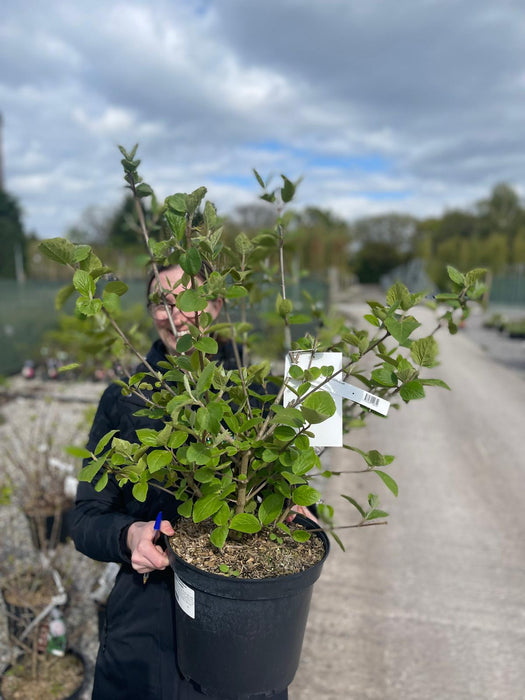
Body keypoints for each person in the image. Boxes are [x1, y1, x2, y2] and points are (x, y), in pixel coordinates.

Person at [71, 265, 291, 700]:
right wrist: (129, 534)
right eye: (162, 302)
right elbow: (85, 518)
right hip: (150, 610)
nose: (176, 314)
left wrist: (298, 513)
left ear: (216, 304)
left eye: (189, 299)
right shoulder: (126, 395)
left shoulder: (256, 389)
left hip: (243, 610)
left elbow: (292, 492)